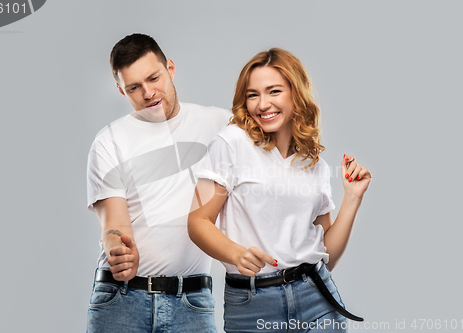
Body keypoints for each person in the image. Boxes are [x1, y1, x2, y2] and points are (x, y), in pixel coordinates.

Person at [188, 48, 372, 332]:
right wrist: (235, 254)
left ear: (295, 94)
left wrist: (352, 198)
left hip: (317, 298)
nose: (263, 104)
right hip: (253, 304)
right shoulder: (231, 143)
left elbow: (326, 256)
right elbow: (197, 222)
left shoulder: (315, 164)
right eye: (253, 95)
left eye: (274, 91)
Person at [86, 33, 230, 333]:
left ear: (171, 69)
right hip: (121, 301)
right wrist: (119, 250)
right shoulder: (109, 142)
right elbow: (113, 224)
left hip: (192, 302)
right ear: (120, 90)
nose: (148, 93)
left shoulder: (221, 125)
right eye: (134, 88)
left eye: (154, 78)